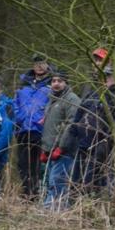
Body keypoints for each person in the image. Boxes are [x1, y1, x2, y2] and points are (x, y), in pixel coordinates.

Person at [72, 64, 115, 197]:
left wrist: (107, 139)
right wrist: (74, 129)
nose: (105, 81)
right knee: (79, 175)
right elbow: (80, 112)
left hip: (103, 144)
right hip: (84, 142)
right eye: (102, 77)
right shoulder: (93, 93)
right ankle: (81, 201)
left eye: (108, 77)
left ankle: (93, 200)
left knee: (95, 175)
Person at [39, 69, 82, 210]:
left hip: (64, 151)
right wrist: (45, 149)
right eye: (53, 81)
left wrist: (62, 147)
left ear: (66, 83)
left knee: (56, 183)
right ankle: (52, 210)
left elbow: (72, 124)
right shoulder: (52, 100)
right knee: (49, 182)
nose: (56, 84)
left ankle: (52, 212)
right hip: (50, 150)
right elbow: (50, 126)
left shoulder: (72, 99)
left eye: (60, 81)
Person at [13, 53, 52, 199]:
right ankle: (27, 193)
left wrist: (44, 118)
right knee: (23, 164)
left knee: (40, 164)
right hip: (24, 130)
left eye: (42, 63)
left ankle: (40, 193)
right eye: (37, 63)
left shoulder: (52, 84)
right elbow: (15, 104)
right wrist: (20, 119)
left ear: (47, 65)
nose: (40, 66)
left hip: (41, 131)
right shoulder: (23, 85)